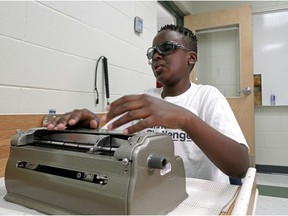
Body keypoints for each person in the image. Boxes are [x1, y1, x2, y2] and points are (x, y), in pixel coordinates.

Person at [43, 24, 249, 184]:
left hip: (198, 196)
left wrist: (184, 118)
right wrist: (90, 126)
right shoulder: (147, 98)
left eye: (167, 48)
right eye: (152, 52)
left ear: (191, 58)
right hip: (150, 192)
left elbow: (240, 166)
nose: (157, 55)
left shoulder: (207, 97)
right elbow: (110, 137)